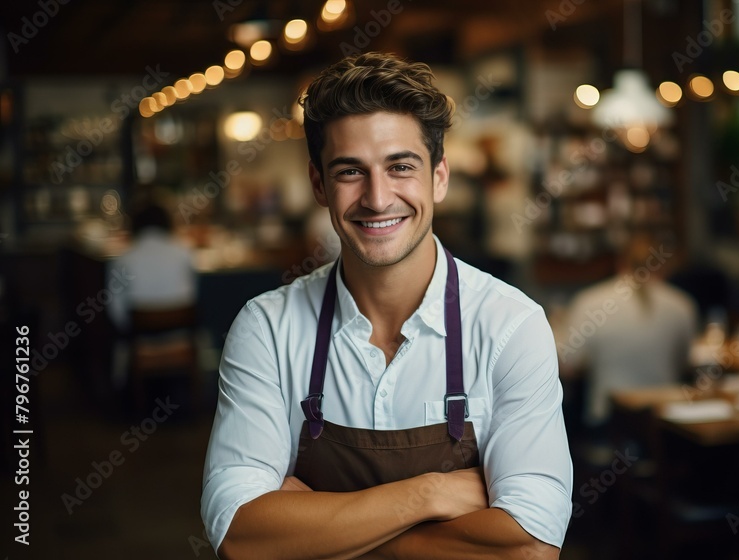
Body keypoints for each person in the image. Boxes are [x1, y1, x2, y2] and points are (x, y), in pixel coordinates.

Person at [201, 52, 572, 560]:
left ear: (439, 177)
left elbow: (528, 549)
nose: (377, 198)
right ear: (319, 186)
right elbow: (242, 536)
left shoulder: (511, 326)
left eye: (401, 167)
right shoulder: (267, 328)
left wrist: (323, 531)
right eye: (351, 171)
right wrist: (430, 494)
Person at [560, 234, 696, 429]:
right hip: (667, 423)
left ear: (620, 262)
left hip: (609, 423)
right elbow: (684, 363)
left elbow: (568, 366)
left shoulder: (590, 301)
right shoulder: (682, 305)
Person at [107, 202, 198, 332]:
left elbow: (116, 313)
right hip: (181, 341)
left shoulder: (124, 259)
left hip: (139, 344)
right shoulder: (184, 253)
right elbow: (193, 296)